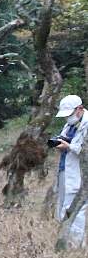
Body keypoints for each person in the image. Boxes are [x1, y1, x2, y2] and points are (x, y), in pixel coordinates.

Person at [54, 94, 88, 247]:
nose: (67, 118)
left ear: (79, 109)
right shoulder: (69, 125)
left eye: (70, 114)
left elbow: (83, 149)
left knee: (76, 209)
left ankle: (75, 244)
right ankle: (66, 242)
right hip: (65, 169)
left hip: (79, 173)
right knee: (63, 208)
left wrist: (69, 147)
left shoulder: (86, 123)